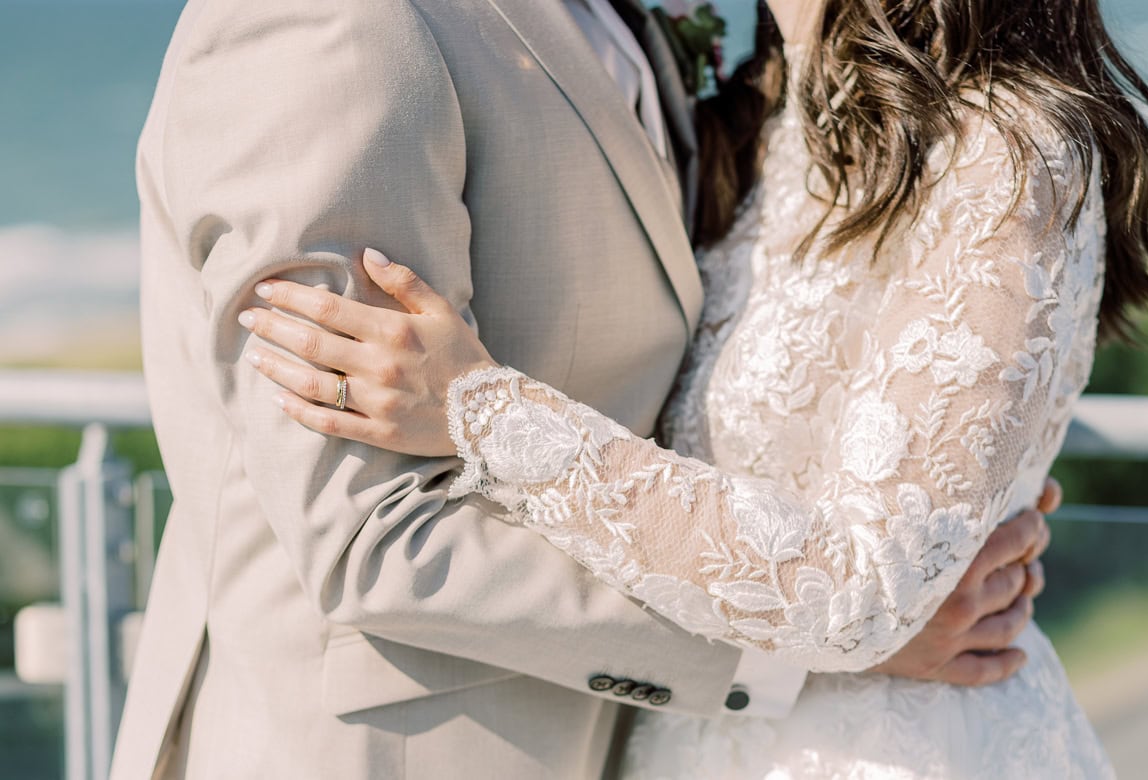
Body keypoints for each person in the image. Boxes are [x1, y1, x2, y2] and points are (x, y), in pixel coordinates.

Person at [117, 1, 1062, 778]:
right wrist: (805, 649)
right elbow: (373, 532)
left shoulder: (655, 42)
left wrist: (944, 494)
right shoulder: (333, 23)